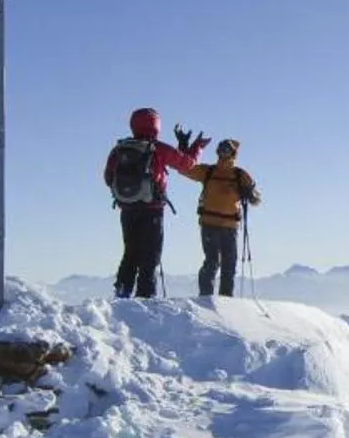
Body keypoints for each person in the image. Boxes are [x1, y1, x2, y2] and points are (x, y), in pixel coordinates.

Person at [104, 108, 206, 297]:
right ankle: (145, 298)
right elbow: (187, 164)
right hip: (152, 209)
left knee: (130, 251)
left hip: (127, 209)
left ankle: (122, 292)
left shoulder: (119, 149)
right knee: (150, 257)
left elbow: (108, 177)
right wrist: (195, 147)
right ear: (156, 125)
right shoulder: (157, 148)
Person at [179, 138, 261, 298]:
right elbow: (184, 169)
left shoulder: (237, 174)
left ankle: (221, 300)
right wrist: (184, 150)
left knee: (226, 264)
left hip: (220, 225)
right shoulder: (213, 172)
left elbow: (256, 198)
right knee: (214, 262)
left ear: (233, 152)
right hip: (217, 225)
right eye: (221, 149)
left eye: (227, 149)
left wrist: (250, 195)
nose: (224, 152)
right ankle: (209, 299)